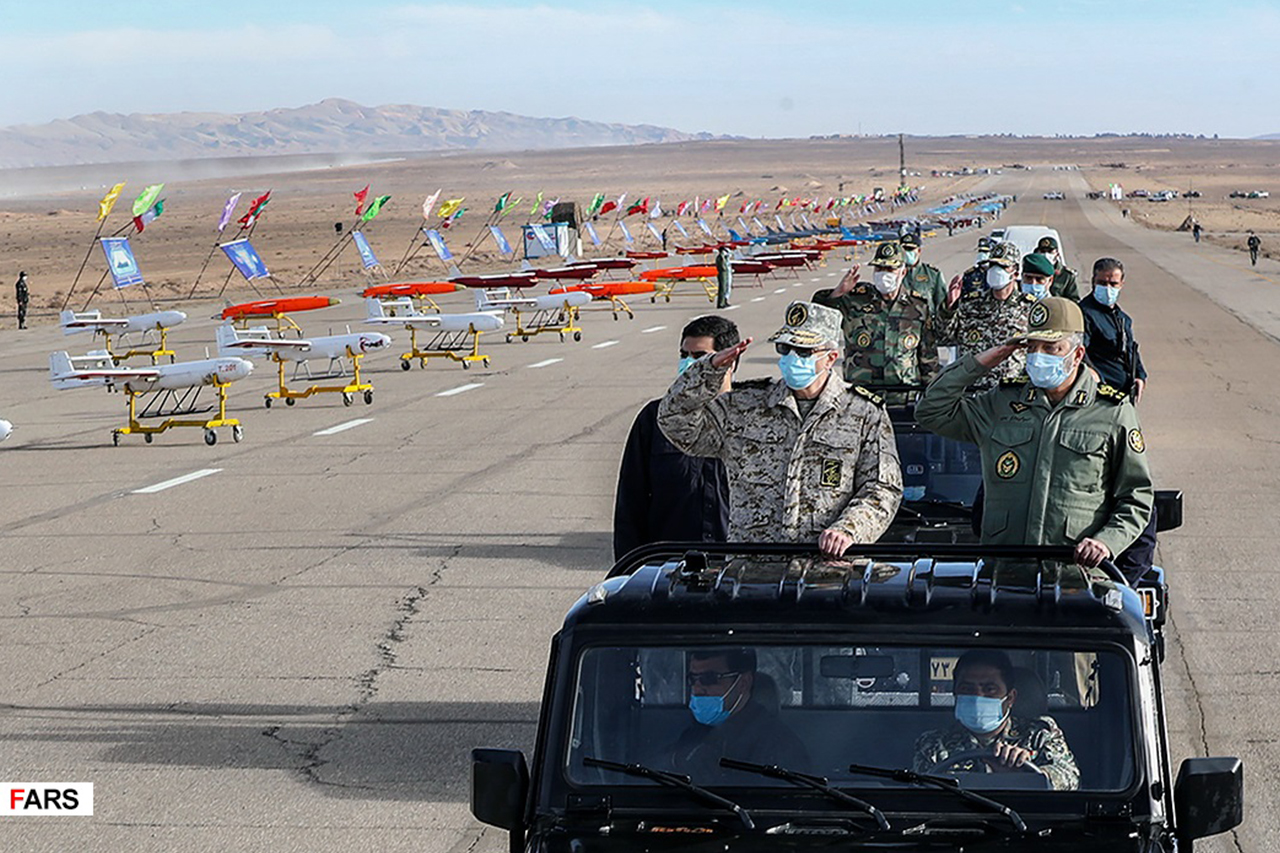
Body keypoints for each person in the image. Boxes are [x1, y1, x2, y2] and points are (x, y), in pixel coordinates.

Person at [915, 297, 1153, 569]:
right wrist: (981, 363)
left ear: (1076, 354)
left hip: (1073, 576)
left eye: (1051, 348)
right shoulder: (1001, 403)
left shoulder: (1111, 412)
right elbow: (930, 411)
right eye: (1032, 347)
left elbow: (1136, 496)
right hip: (1002, 573)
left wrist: (1106, 542)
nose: (1039, 356)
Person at [657, 301, 903, 557]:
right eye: (785, 348)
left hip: (826, 573)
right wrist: (708, 371)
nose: (792, 358)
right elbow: (675, 422)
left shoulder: (864, 413)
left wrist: (849, 529)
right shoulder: (744, 406)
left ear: (830, 357)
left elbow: (883, 488)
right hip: (750, 572)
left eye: (804, 351)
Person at [613, 316, 738, 561]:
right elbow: (631, 504)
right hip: (669, 569)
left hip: (737, 568)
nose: (689, 364)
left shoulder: (753, 418)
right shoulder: (655, 419)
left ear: (729, 361)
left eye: (700, 357)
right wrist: (629, 571)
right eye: (684, 356)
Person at [912, 650, 1079, 791]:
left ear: (1010, 698)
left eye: (989, 689)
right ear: (955, 694)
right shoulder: (933, 744)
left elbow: (1069, 776)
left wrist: (1027, 776)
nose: (977, 696)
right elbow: (923, 788)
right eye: (967, 689)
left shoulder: (1039, 734)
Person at [661, 648, 809, 779]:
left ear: (743, 683)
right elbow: (654, 770)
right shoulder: (695, 732)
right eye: (692, 679)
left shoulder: (779, 745)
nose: (697, 689)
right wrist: (678, 759)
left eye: (709, 679)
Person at [812, 241, 937, 395]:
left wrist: (931, 396)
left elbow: (928, 358)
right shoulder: (855, 301)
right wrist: (838, 293)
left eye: (890, 269)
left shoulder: (918, 306)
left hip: (904, 396)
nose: (884, 274)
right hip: (861, 396)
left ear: (903, 272)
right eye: (879, 268)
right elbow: (816, 319)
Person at [935, 241, 1036, 392]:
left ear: (1015, 273)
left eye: (1003, 266)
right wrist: (949, 307)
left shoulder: (1029, 308)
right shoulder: (971, 303)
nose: (996, 271)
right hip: (972, 393)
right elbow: (944, 337)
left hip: (1009, 394)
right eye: (993, 265)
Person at [1080, 258, 1147, 402]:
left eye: (1113, 284)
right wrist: (1096, 379)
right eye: (1102, 283)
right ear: (1093, 282)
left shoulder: (1122, 319)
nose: (1108, 288)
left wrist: (1140, 376)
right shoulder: (1084, 313)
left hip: (1124, 392)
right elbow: (1080, 352)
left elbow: (1130, 349)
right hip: (1100, 394)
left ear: (1121, 284)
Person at [900, 231, 947, 315]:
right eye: (904, 249)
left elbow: (941, 304)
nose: (907, 252)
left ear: (919, 250)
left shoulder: (933, 274)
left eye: (910, 249)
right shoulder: (894, 273)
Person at [1034, 236, 1082, 301]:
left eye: (1050, 251)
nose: (1046, 254)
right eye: (1043, 251)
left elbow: (1074, 300)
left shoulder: (1066, 275)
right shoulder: (1031, 272)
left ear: (1057, 254)